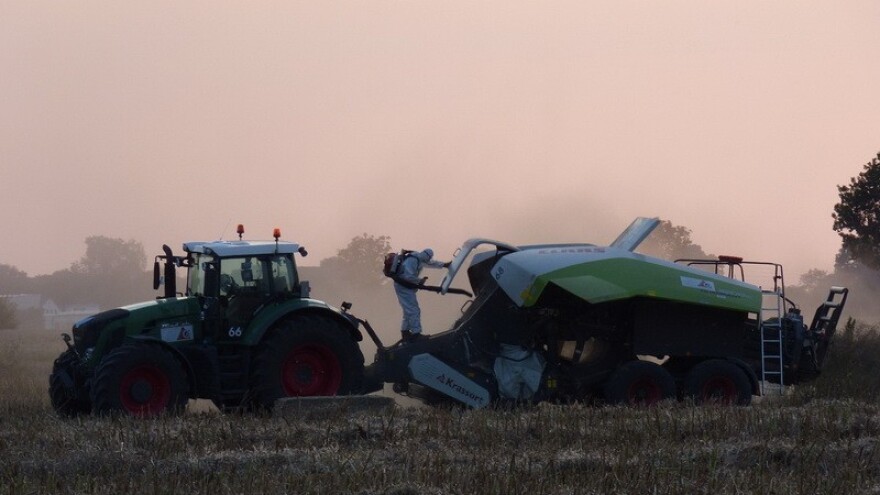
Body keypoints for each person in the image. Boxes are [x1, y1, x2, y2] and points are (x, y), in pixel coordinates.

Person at [393, 248, 449, 342]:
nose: (428, 260)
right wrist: (420, 281)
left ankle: (405, 332)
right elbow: (408, 276)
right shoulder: (413, 260)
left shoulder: (418, 258)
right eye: (429, 257)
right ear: (426, 255)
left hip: (404, 286)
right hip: (403, 287)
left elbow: (431, 263)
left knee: (408, 311)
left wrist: (444, 265)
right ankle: (416, 334)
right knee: (414, 310)